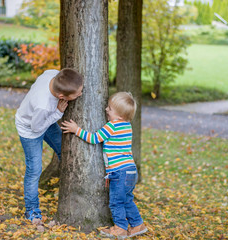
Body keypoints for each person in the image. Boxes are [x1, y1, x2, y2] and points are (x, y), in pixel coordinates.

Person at [61, 92, 148, 238]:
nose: (106, 110)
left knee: (116, 201)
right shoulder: (127, 126)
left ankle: (120, 228)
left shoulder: (112, 126)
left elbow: (95, 138)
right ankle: (138, 224)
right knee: (127, 200)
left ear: (119, 116)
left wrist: (76, 130)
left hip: (120, 172)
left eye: (110, 109)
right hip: (130, 171)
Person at [15, 68, 83, 224]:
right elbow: (36, 128)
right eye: (77, 94)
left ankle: (69, 191)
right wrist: (58, 113)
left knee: (64, 151)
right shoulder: (43, 105)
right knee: (34, 170)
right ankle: (32, 211)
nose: (80, 94)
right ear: (61, 97)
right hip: (30, 129)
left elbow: (49, 71)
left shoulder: (53, 75)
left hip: (45, 120)